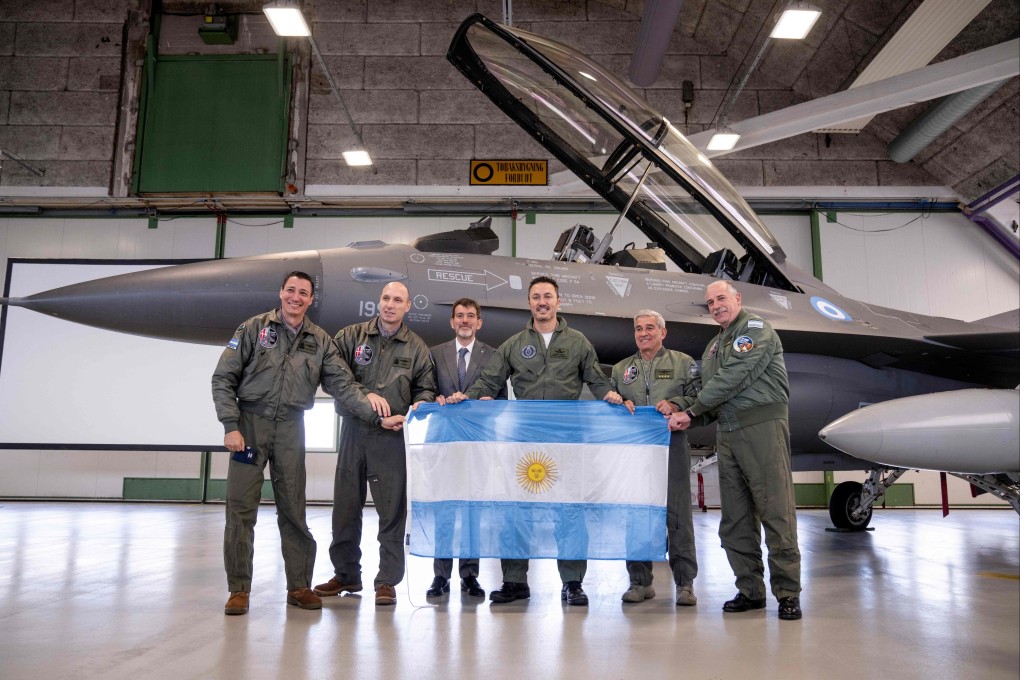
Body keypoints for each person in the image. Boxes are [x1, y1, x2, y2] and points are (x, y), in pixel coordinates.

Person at [212, 271, 404, 617]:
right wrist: (230, 425)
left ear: (311, 299)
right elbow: (223, 378)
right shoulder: (253, 329)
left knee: (293, 510)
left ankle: (298, 586)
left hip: (290, 427)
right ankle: (238, 589)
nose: (296, 297)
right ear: (281, 293)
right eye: (291, 291)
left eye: (303, 293)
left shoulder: (321, 341)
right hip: (249, 428)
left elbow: (344, 386)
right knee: (240, 510)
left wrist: (377, 415)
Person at [445, 276, 621, 606]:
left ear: (558, 302)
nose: (542, 302)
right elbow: (488, 379)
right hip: (523, 441)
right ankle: (514, 581)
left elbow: (597, 380)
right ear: (529, 303)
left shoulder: (578, 342)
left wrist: (612, 396)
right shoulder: (514, 344)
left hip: (565, 441)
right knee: (515, 510)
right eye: (536, 297)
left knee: (568, 511)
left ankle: (572, 583)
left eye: (548, 296)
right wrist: (464, 398)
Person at [668, 280, 802, 621]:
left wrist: (693, 411)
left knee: (776, 512)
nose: (716, 305)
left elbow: (732, 379)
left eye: (721, 298)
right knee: (736, 520)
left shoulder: (756, 330)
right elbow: (708, 392)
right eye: (710, 302)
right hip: (726, 433)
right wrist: (676, 407)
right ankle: (751, 590)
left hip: (762, 429)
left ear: (737, 299)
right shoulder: (713, 346)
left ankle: (787, 594)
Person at [314, 281, 436, 606]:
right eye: (385, 298)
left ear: (408, 306)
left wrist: (418, 407)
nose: (390, 304)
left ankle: (387, 581)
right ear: (378, 302)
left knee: (391, 512)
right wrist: (365, 397)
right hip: (354, 432)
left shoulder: (417, 349)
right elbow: (333, 378)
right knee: (345, 509)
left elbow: (425, 388)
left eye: (398, 300)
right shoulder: (351, 337)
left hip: (392, 437)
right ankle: (346, 575)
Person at [603, 309, 701, 607]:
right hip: (634, 452)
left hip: (672, 445)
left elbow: (700, 398)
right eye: (638, 329)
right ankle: (639, 581)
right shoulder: (621, 369)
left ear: (663, 332)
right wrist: (619, 402)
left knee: (678, 514)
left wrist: (676, 403)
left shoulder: (683, 363)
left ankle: (685, 584)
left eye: (649, 328)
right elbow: (610, 407)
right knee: (636, 513)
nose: (643, 333)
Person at [425, 298, 507, 600]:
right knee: (444, 510)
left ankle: (470, 575)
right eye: (459, 316)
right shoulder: (434, 354)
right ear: (451, 322)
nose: (465, 320)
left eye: (470, 316)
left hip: (477, 445)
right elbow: (424, 389)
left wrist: (490, 407)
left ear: (479, 322)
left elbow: (502, 400)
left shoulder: (494, 356)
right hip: (444, 444)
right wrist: (435, 398)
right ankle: (440, 576)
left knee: (473, 511)